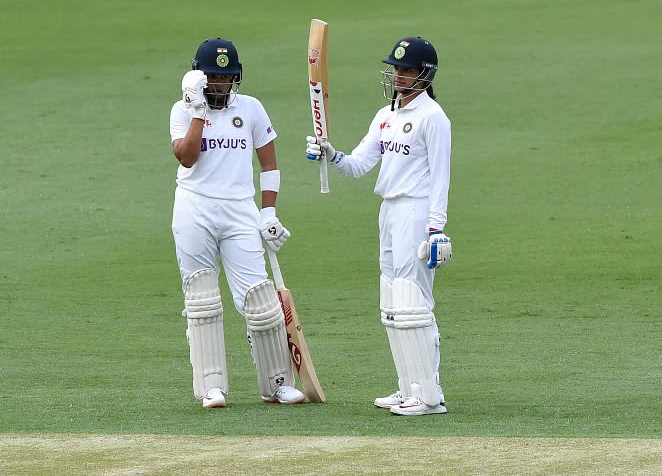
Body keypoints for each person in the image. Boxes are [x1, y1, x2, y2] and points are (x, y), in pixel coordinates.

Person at [306, 36, 452, 416]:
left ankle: (430, 395)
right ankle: (408, 387)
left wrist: (436, 228)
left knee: (414, 301)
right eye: (396, 69)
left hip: (416, 213)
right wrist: (330, 153)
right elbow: (357, 165)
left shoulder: (433, 118)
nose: (398, 76)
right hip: (388, 211)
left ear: (424, 73)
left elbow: (441, 177)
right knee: (392, 303)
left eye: (405, 70)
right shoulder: (384, 115)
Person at [169, 37, 305, 409]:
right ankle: (212, 387)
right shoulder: (181, 111)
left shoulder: (251, 108)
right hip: (194, 209)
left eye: (227, 77)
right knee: (202, 299)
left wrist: (269, 212)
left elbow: (270, 164)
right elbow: (186, 158)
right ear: (198, 77)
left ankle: (277, 384)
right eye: (213, 77)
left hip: (239, 210)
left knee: (260, 300)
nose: (220, 84)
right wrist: (199, 111)